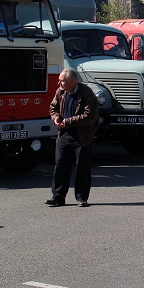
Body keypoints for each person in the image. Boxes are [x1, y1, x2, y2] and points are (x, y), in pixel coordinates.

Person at [47, 68, 99, 208]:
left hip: (81, 136)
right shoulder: (61, 92)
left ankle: (82, 198)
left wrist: (69, 121)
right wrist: (56, 117)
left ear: (72, 82)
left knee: (82, 167)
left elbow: (90, 116)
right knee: (60, 165)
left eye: (62, 81)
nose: (59, 83)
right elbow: (53, 108)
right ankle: (58, 197)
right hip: (64, 134)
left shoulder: (87, 93)